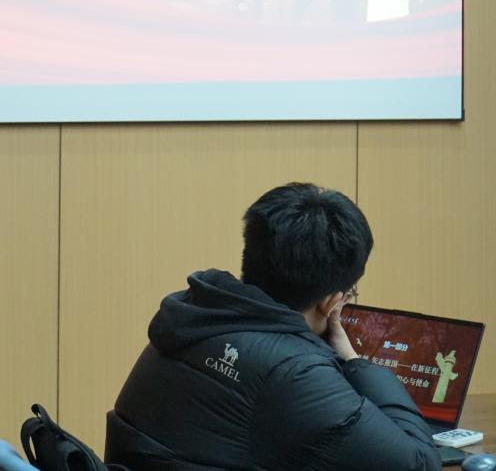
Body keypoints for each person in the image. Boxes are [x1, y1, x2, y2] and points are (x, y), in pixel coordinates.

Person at [104, 181, 438, 471]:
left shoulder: (193, 313)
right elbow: (418, 462)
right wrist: (354, 361)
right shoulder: (294, 372)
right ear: (330, 302)